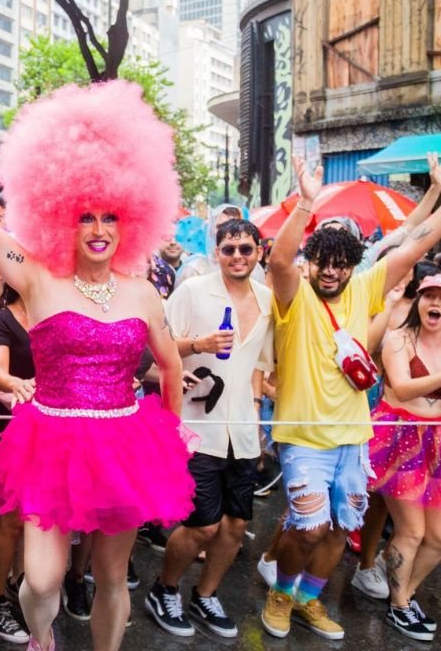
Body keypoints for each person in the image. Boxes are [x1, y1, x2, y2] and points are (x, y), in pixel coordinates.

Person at [0, 80, 194, 651]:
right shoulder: (39, 279)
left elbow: (169, 366)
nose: (97, 229)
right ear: (64, 218)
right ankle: (42, 635)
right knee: (42, 580)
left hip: (124, 439)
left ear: (129, 222)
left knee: (113, 576)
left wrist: (173, 427)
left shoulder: (144, 294)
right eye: (85, 217)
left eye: (109, 217)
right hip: (53, 438)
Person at [260, 154, 441, 641]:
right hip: (303, 439)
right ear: (311, 262)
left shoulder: (365, 289)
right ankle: (280, 594)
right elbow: (279, 259)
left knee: (341, 528)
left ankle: (308, 600)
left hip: (353, 440)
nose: (332, 272)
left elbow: (416, 243)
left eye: (341, 264)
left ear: (352, 266)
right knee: (309, 527)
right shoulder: (293, 298)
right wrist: (305, 204)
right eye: (324, 262)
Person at [147, 218, 273, 639]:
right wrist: (197, 345)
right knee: (204, 524)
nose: (238, 256)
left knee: (236, 525)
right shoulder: (193, 292)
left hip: (242, 429)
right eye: (229, 249)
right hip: (198, 426)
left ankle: (205, 594)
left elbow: (259, 364)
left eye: (246, 249)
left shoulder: (268, 300)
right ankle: (164, 590)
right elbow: (156, 348)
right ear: (216, 253)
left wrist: (256, 411)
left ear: (259, 251)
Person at [374, 273, 441, 640]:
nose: (436, 304)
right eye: (429, 295)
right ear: (418, 300)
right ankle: (397, 606)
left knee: (438, 537)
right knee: (412, 531)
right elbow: (401, 386)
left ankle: (406, 594)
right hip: (399, 438)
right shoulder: (399, 339)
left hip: (437, 441)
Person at [0, 284, 32, 644]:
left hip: (58, 427)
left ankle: (24, 588)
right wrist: (20, 384)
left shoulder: (58, 312)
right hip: (11, 426)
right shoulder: (3, 318)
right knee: (12, 518)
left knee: (41, 518)